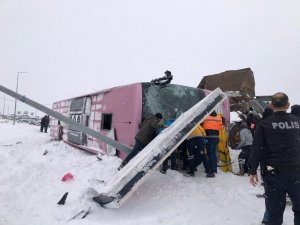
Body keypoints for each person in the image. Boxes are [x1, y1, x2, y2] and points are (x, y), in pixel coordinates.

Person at [249, 92, 300, 225]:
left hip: (274, 175)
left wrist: (252, 170)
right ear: (288, 105)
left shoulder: (264, 124)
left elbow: (256, 148)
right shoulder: (297, 122)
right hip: (297, 174)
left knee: (274, 215)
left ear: (271, 105)